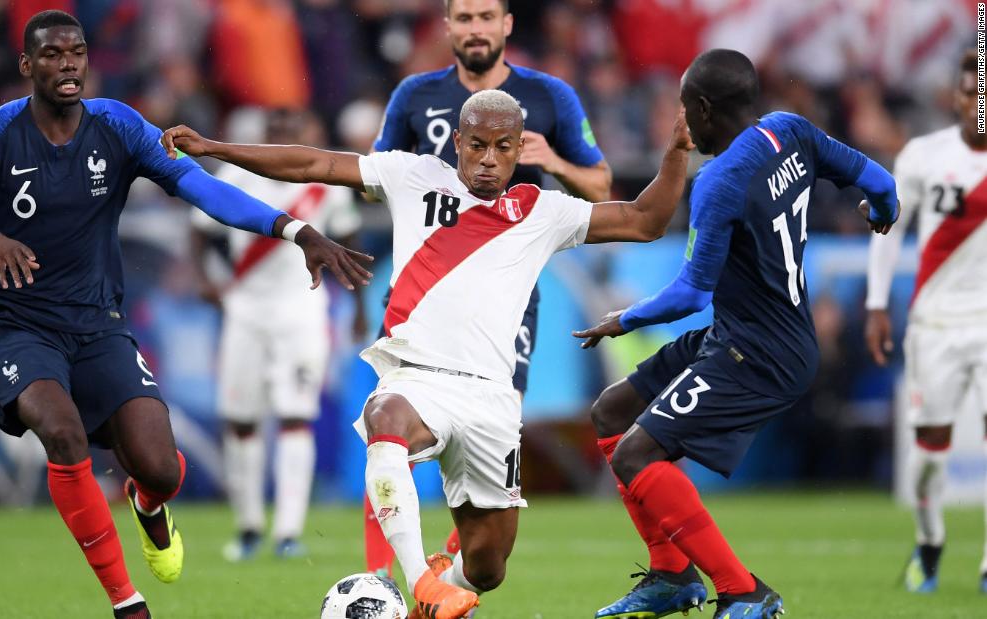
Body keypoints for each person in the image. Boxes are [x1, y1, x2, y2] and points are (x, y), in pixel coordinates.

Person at [163, 88, 692, 619]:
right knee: (383, 418)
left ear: (518, 149)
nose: (488, 159)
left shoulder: (543, 212)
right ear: (457, 142)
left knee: (488, 565)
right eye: (478, 145)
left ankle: (427, 602)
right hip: (416, 377)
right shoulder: (412, 176)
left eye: (503, 147)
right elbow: (314, 162)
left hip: (491, 397)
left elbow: (644, 221)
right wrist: (216, 148)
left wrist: (673, 155)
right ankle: (420, 582)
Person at [0, 11, 371, 619]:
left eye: (76, 52)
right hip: (17, 321)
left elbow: (203, 188)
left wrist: (295, 228)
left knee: (161, 469)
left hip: (98, 321)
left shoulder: (119, 126)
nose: (67, 64)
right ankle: (127, 602)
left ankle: (149, 504)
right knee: (63, 430)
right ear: (27, 65)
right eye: (51, 55)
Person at [573, 49, 899, 619]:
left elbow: (689, 294)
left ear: (701, 109)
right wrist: (880, 211)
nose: (680, 119)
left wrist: (621, 319)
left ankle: (743, 590)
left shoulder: (719, 180)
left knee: (634, 455)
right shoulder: (790, 130)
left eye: (683, 106)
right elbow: (880, 181)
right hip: (743, 333)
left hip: (760, 353)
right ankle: (671, 574)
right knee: (612, 410)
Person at [367, 0, 611, 576]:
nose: (476, 29)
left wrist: (552, 158)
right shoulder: (415, 96)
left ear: (507, 25)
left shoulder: (550, 97)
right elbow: (371, 179)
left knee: (488, 425)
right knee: (391, 426)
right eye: (465, 17)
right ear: (448, 26)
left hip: (504, 301)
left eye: (486, 17)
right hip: (423, 289)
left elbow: (600, 184)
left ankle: (456, 571)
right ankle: (381, 578)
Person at [189, 108, 367, 561]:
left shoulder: (322, 180)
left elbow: (347, 239)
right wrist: (205, 279)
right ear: (266, 136)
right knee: (242, 421)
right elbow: (200, 230)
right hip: (244, 310)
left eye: (291, 132)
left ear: (302, 135)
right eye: (276, 132)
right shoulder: (237, 172)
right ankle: (248, 526)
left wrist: (359, 307)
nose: (283, 139)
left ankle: (288, 530)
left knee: (294, 416)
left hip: (301, 311)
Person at [866, 50, 987, 595]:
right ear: (955, 96)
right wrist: (874, 305)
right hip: (934, 324)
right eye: (968, 92)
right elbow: (887, 227)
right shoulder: (922, 155)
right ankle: (930, 543)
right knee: (928, 456)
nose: (974, 102)